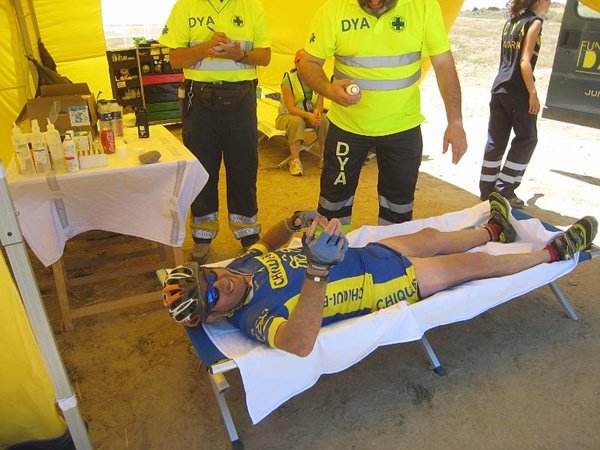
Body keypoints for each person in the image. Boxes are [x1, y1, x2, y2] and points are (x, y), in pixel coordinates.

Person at [162, 194, 597, 357]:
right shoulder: (254, 317)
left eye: (208, 276)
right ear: (215, 316)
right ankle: (553, 252)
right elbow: (298, 344)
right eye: (212, 295)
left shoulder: (238, 269)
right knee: (476, 266)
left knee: (432, 236)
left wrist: (292, 222)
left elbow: (265, 242)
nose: (220, 283)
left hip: (364, 254)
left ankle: (494, 231)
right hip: (383, 284)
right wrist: (317, 271)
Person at [295, 0, 468, 231]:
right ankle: (329, 252)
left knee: (398, 209)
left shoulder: (424, 6)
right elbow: (308, 63)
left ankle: (389, 251)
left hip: (402, 129)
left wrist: (455, 121)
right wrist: (328, 90)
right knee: (332, 205)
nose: (375, 3)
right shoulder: (333, 9)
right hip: (347, 128)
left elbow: (444, 65)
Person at [159, 0, 271, 264]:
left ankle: (247, 232)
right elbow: (175, 58)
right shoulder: (185, 7)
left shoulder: (252, 7)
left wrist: (239, 55)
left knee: (244, 166)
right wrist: (205, 48)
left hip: (242, 99)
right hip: (199, 100)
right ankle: (202, 235)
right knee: (201, 169)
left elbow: (265, 57)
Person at [479, 0, 551, 209]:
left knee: (496, 140)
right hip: (518, 90)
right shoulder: (534, 22)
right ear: (541, 1)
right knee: (527, 139)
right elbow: (524, 61)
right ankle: (504, 190)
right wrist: (533, 93)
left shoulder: (512, 22)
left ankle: (487, 189)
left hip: (499, 88)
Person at [275, 49, 330, 176]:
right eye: (302, 62)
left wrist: (316, 113)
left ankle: (324, 156)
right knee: (297, 121)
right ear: (296, 63)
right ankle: (295, 161)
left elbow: (320, 103)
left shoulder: (319, 80)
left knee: (324, 119)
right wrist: (309, 115)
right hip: (287, 116)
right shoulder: (288, 80)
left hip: (308, 115)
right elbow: (291, 108)